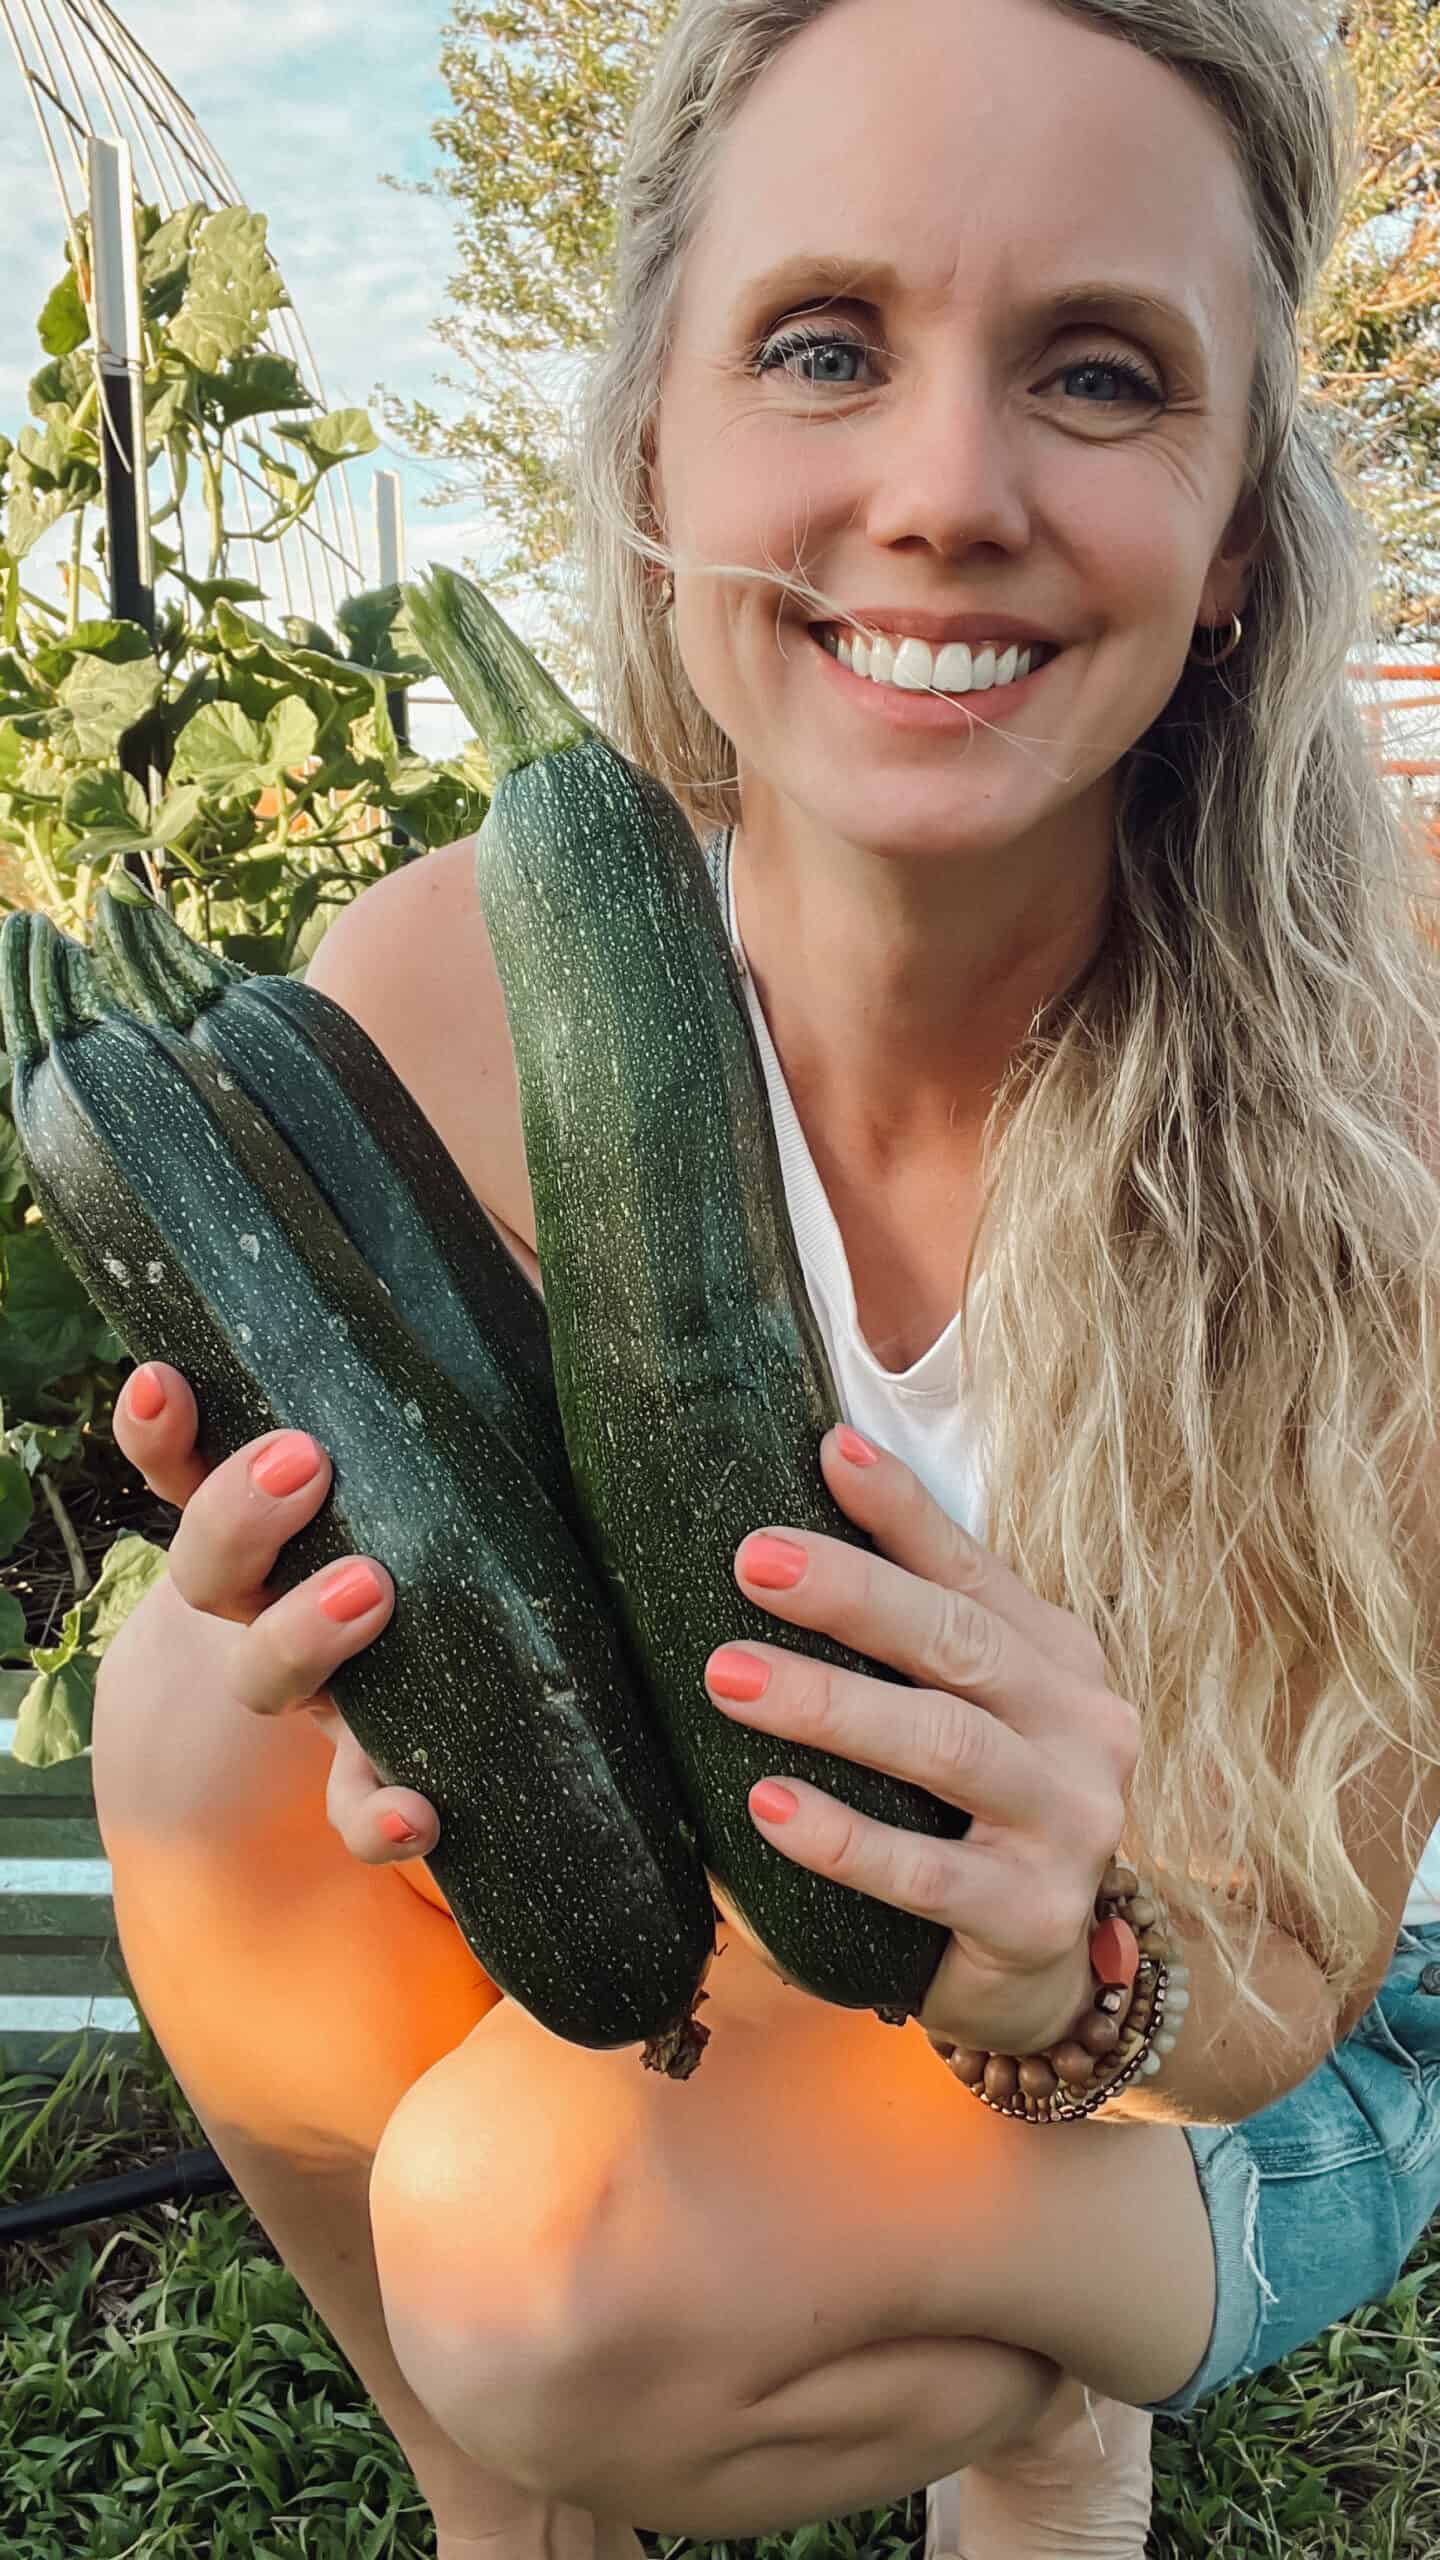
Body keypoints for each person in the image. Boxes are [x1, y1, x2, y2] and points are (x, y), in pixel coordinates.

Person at [92, 0, 1440, 2554]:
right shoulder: (448, 991)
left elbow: (1297, 1970)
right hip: (779, 1912)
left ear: (1245, 513)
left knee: (545, 2244)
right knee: (184, 1692)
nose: (943, 490)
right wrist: (359, 1667)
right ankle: (509, 2512)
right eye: (826, 345)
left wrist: (1072, 1976)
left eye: (1100, 369)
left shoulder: (1392, 1097)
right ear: (653, 453)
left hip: (1276, 2032)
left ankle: (1054, 2406)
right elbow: (419, 1724)